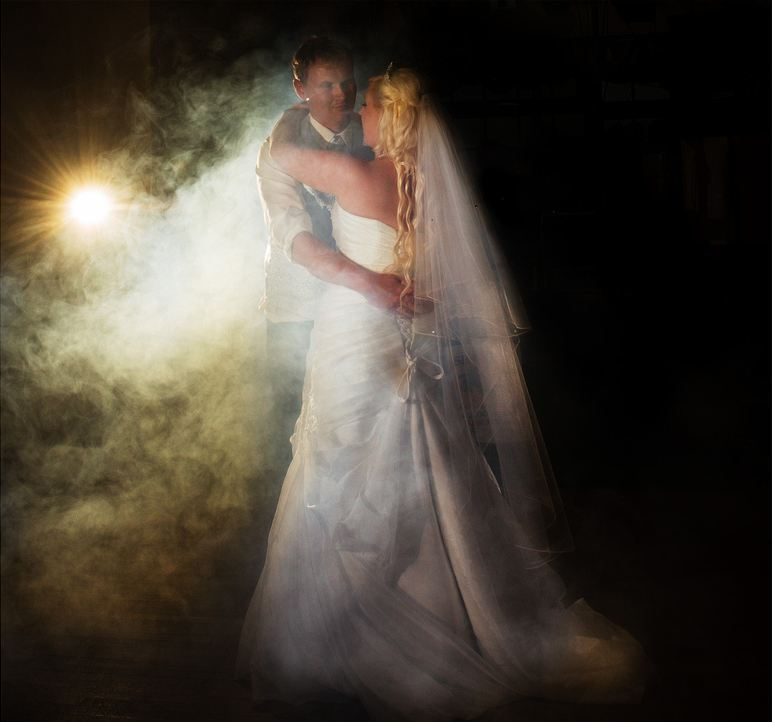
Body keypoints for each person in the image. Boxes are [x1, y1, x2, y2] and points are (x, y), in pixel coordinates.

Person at [238, 66, 647, 719]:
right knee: (421, 471)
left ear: (391, 115)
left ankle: (343, 639)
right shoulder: (426, 188)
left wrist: (296, 107)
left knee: (335, 470)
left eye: (368, 105)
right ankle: (444, 607)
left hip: (356, 339)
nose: (357, 114)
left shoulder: (358, 176)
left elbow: (284, 155)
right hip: (408, 344)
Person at [257, 37, 373, 478]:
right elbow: (289, 228)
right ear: (300, 88)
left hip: (360, 305)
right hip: (300, 303)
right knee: (295, 422)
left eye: (347, 82)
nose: (341, 94)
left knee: (357, 420)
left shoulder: (373, 131)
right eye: (326, 86)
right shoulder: (278, 147)